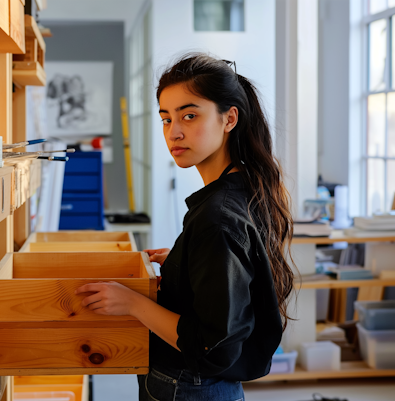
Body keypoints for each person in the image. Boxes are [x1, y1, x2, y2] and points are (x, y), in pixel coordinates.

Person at [75, 53, 295, 401]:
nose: (174, 132)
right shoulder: (243, 190)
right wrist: (183, 262)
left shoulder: (217, 218)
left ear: (229, 119)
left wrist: (132, 303)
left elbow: (211, 346)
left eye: (189, 116)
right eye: (166, 118)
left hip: (188, 387)